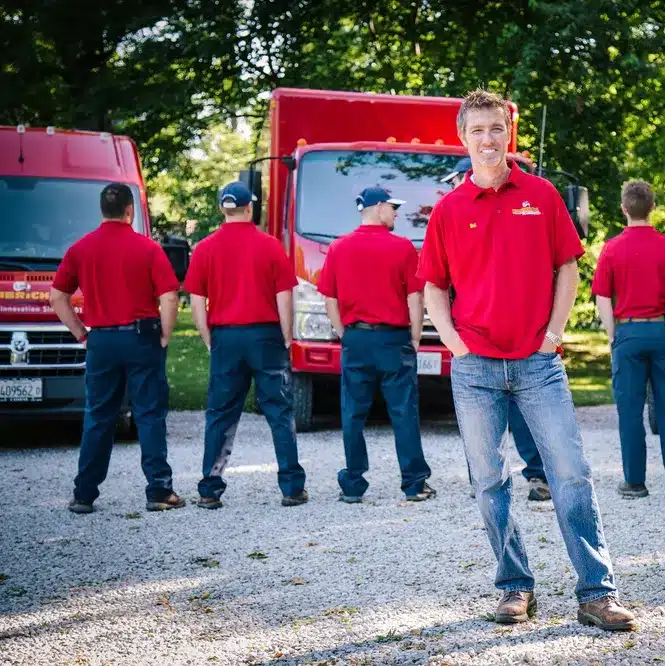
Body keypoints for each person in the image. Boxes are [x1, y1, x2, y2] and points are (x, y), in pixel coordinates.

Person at [419, 88, 635, 632]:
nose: (488, 139)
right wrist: (452, 340)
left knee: (571, 474)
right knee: (490, 481)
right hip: (475, 369)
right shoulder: (447, 210)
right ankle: (515, 588)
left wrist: (555, 332)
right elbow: (433, 287)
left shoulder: (540, 195)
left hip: (538, 363)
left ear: (507, 134)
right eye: (478, 130)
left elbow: (568, 267)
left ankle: (597, 593)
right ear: (462, 138)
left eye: (497, 128)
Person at [50, 182, 184, 514]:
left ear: (102, 211)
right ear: (130, 211)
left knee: (98, 416)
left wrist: (82, 334)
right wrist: (165, 334)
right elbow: (169, 296)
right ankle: (158, 491)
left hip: (102, 341)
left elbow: (57, 297)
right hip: (141, 338)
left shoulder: (81, 249)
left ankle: (84, 494)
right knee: (149, 414)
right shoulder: (148, 249)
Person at [184, 182, 308, 509]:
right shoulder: (269, 247)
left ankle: (210, 488)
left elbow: (197, 301)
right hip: (265, 334)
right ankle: (291, 487)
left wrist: (208, 336)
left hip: (226, 335)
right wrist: (284, 336)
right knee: (280, 412)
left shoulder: (205, 249)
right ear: (249, 209)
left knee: (221, 414)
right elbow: (284, 297)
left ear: (222, 209)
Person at [441, 157, 551, 502]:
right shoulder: (453, 214)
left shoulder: (503, 214)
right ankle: (485, 480)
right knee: (479, 427)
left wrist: (551, 338)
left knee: (520, 415)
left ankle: (536, 475)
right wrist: (454, 341)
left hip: (515, 340)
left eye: (457, 179)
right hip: (472, 341)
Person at [318, 186, 435, 503]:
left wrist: (345, 333)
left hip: (356, 338)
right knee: (403, 412)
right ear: (378, 206)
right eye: (393, 207)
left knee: (353, 413)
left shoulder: (339, 248)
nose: (397, 213)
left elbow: (330, 297)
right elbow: (415, 297)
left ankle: (353, 485)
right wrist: (414, 336)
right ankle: (414, 484)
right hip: (393, 339)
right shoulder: (403, 248)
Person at [593, 179, 665, 499]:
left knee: (630, 409)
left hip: (629, 332)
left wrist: (613, 335)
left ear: (624, 208)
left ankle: (635, 482)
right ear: (653, 207)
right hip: (662, 332)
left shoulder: (611, 249)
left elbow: (603, 300)